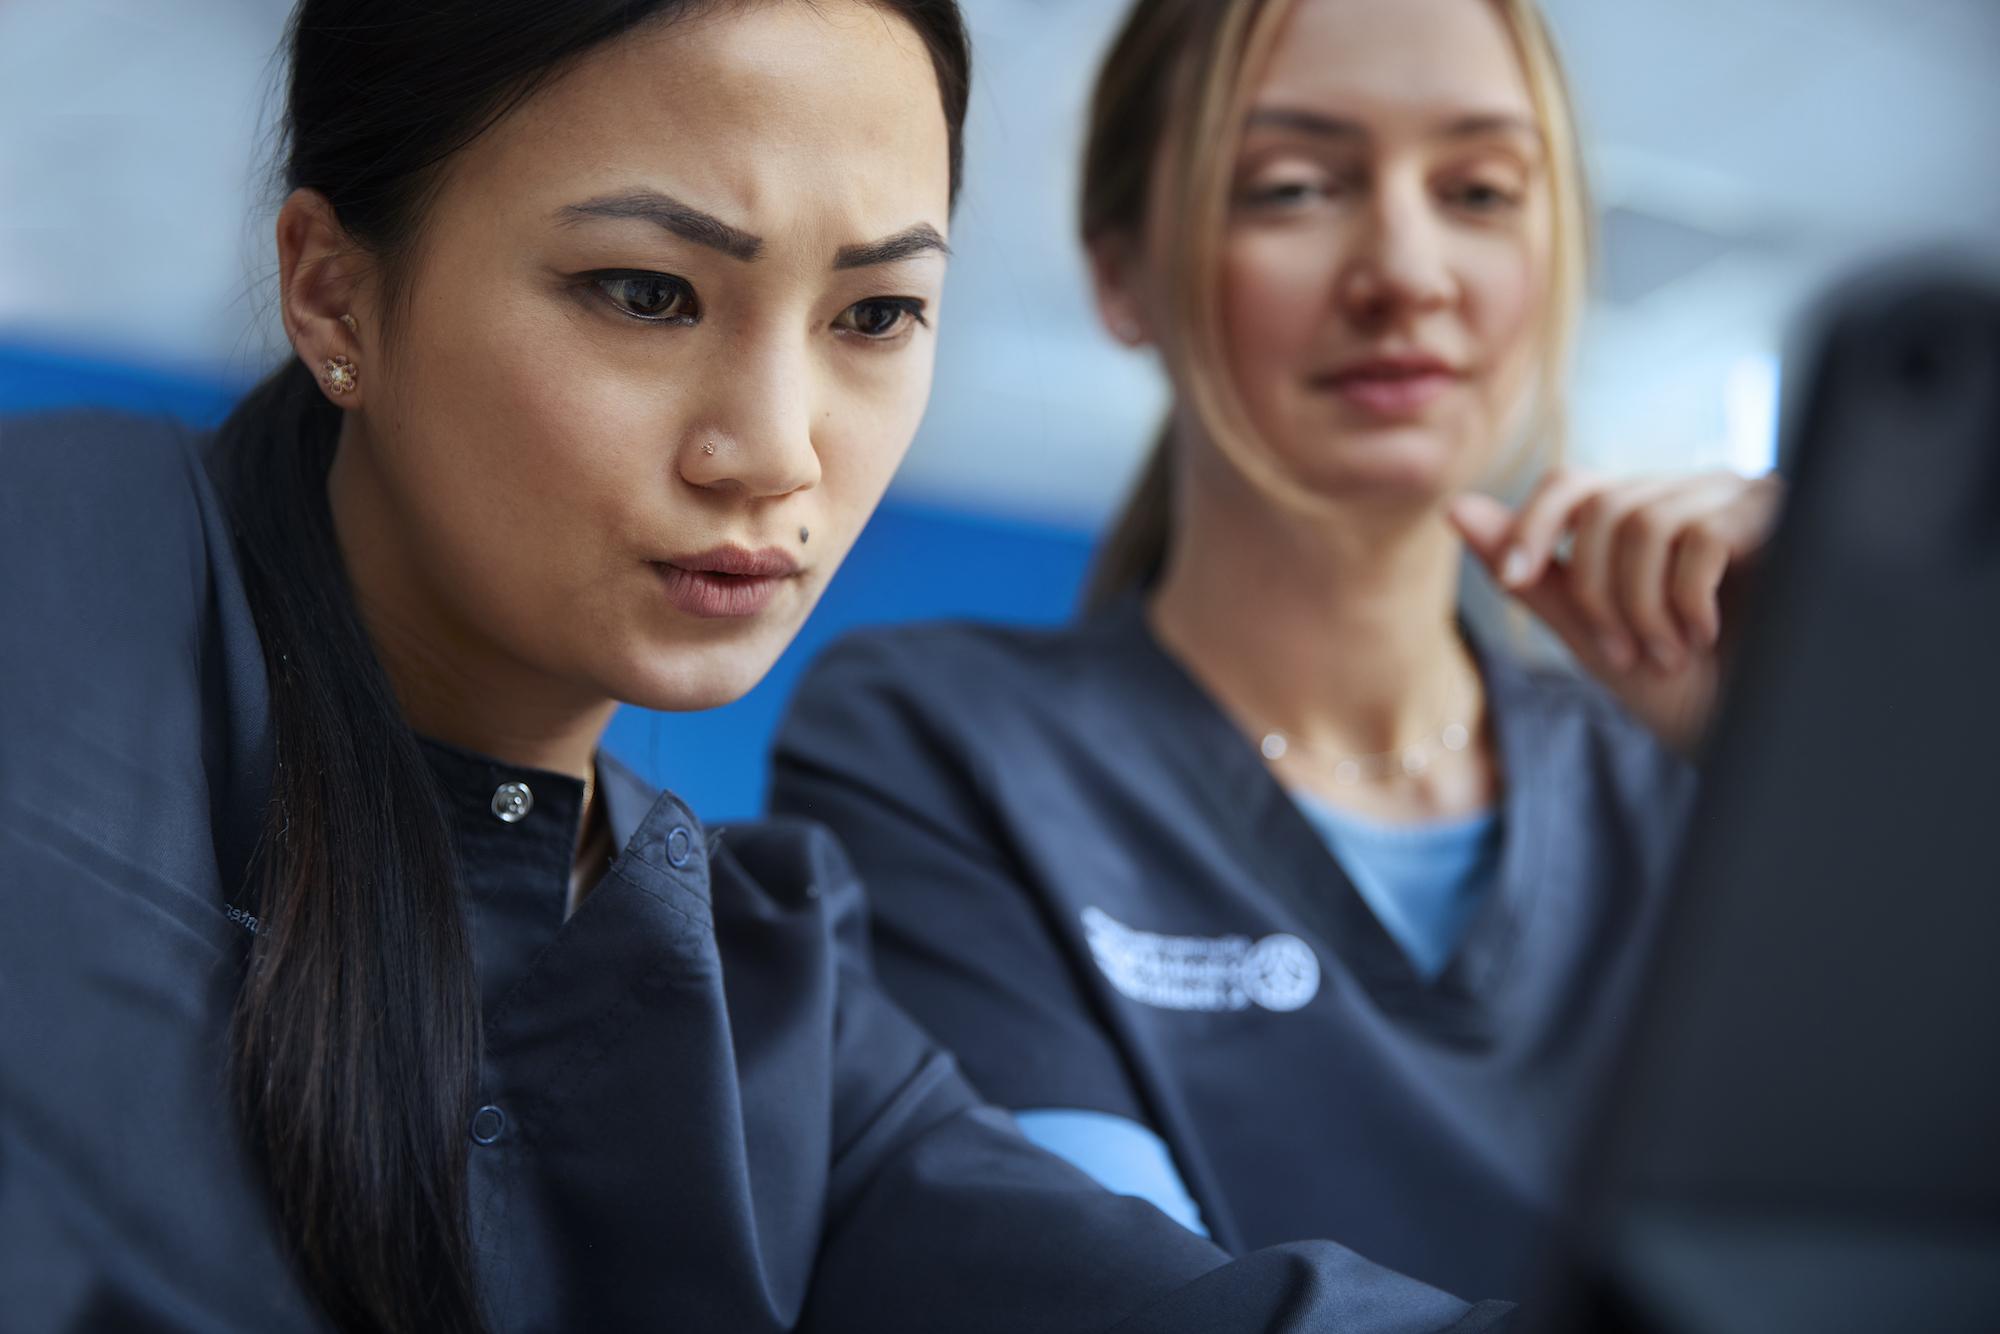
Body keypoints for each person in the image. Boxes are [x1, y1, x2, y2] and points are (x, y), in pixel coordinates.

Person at [0, 2, 1516, 1331]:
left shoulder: (771, 1006)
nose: (777, 451)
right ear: (334, 291)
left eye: (874, 315)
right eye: (647, 291)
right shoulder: (53, 586)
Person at [769, 0, 1783, 1302]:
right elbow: (1119, 1299)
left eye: (1479, 190)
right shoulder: (940, 741)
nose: (1409, 272)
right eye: (1295, 187)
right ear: (1122, 271)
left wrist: (1817, 767)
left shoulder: (1678, 776)